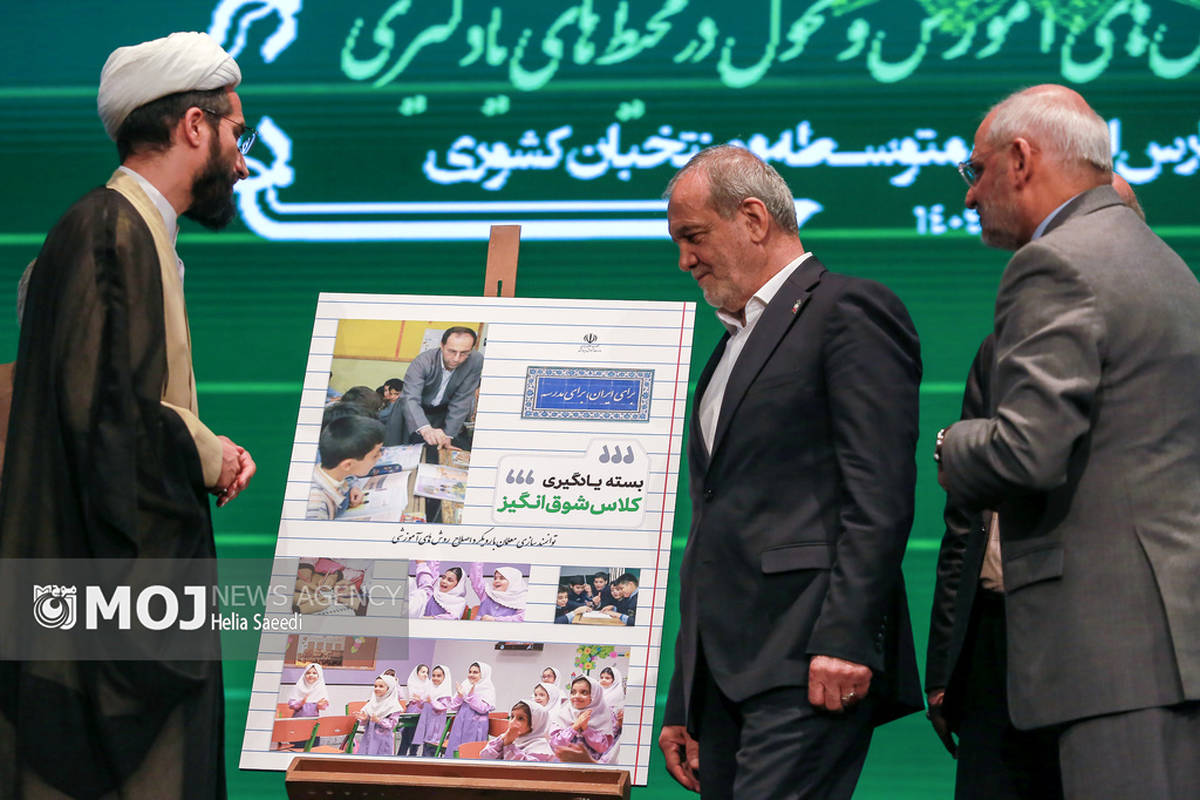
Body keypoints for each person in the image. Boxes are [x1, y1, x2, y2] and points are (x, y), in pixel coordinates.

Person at [0, 31, 258, 799]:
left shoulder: (129, 230)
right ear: (194, 126)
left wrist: (202, 445)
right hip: (103, 621)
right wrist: (210, 455)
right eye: (237, 134)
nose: (242, 163)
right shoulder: (110, 233)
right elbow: (111, 418)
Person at [935, 85, 1200, 799]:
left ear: (1021, 159)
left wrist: (952, 444)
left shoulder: (1056, 262)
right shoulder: (1161, 260)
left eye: (975, 170)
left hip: (1110, 654)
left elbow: (1026, 453)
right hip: (1165, 647)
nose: (970, 195)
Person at [658, 145, 924, 798]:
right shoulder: (729, 345)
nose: (685, 259)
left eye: (693, 236)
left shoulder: (848, 309)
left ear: (753, 218)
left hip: (809, 658)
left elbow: (879, 496)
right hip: (726, 679)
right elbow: (715, 526)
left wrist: (847, 638)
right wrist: (685, 694)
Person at [925, 174, 1147, 800]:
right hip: (996, 640)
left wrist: (950, 444)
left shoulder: (1154, 348)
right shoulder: (1000, 349)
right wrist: (946, 666)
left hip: (1104, 637)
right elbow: (965, 522)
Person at [384, 327, 482, 449]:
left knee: (435, 450)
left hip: (440, 413)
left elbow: (462, 400)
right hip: (410, 409)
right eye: (452, 351)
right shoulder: (423, 361)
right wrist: (425, 429)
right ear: (442, 345)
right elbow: (410, 398)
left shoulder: (476, 361)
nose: (456, 358)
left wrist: (449, 435)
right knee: (397, 450)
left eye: (464, 353)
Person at [306, 415, 384, 520]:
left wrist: (351, 488)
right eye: (375, 455)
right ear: (347, 465)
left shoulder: (334, 475)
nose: (380, 456)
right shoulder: (316, 508)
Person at [550, 675, 617, 762]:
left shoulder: (604, 716)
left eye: (584, 692)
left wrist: (586, 729)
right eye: (573, 692)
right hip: (563, 765)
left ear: (595, 695)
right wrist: (574, 727)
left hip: (590, 767)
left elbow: (603, 748)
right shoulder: (563, 714)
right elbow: (555, 744)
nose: (577, 696)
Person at [443, 662, 496, 757]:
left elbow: (483, 709)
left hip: (476, 724)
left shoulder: (487, 688)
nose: (471, 675)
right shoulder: (466, 684)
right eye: (470, 672)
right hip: (460, 722)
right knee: (455, 748)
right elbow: (453, 706)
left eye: (475, 672)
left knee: (470, 751)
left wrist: (471, 696)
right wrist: (460, 695)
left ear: (483, 674)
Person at [479, 700, 556, 762]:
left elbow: (518, 771)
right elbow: (486, 757)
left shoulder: (540, 749)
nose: (512, 722)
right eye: (512, 717)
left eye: (520, 718)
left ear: (535, 723)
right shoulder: (509, 738)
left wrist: (508, 744)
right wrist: (503, 739)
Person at [354, 674, 404, 756]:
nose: (377, 688)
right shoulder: (372, 703)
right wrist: (365, 718)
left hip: (383, 741)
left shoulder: (393, 706)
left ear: (389, 689)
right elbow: (366, 719)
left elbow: (392, 724)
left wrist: (379, 720)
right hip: (369, 737)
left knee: (380, 758)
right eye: (375, 686)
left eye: (381, 686)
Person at [411, 664, 453, 756]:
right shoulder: (430, 689)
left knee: (431, 749)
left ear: (445, 677)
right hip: (427, 723)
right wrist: (419, 701)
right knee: (426, 747)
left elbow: (443, 706)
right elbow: (423, 706)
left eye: (439, 676)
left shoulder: (445, 692)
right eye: (433, 675)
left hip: (436, 726)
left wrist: (431, 701)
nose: (435, 678)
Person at [397, 664, 431, 756]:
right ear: (417, 673)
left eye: (427, 672)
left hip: (424, 712)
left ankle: (413, 755)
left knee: (418, 735)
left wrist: (423, 699)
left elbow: (428, 698)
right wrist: (422, 699)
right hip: (413, 710)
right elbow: (414, 697)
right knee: (407, 735)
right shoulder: (412, 682)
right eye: (423, 672)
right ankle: (401, 756)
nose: (425, 674)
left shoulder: (429, 684)